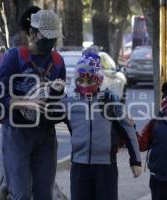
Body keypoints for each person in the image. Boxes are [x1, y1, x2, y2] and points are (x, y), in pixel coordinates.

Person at [0, 9, 65, 200]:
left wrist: (55, 93)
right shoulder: (14, 57)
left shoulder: (57, 62)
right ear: (32, 33)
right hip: (17, 133)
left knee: (44, 195)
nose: (49, 43)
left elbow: (59, 98)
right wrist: (24, 103)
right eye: (45, 37)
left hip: (46, 134)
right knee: (20, 194)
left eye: (53, 38)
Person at [51, 47, 142, 200]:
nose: (85, 84)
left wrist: (136, 160)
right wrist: (54, 93)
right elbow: (48, 114)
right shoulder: (70, 102)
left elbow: (128, 129)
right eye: (81, 80)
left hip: (106, 167)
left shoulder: (109, 99)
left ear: (98, 79)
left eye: (90, 80)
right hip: (79, 167)